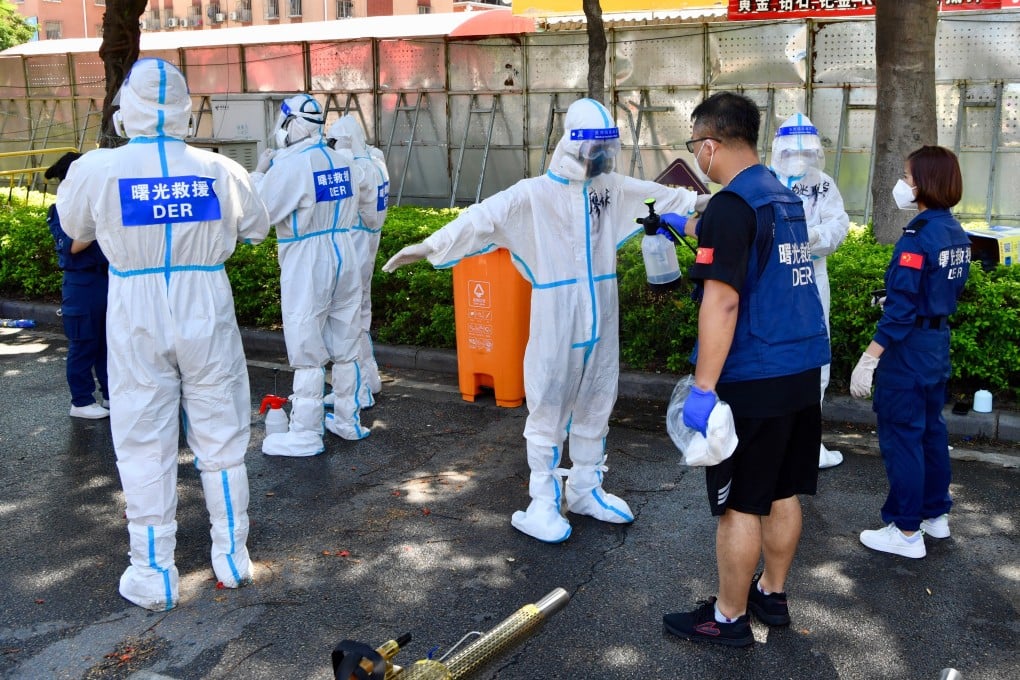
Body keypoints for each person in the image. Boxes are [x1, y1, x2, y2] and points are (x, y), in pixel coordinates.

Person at [383, 98, 701, 543]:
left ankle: (587, 486)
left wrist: (710, 201)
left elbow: (657, 194)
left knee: (597, 396)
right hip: (557, 318)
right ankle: (542, 500)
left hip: (601, 315)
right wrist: (430, 247)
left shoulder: (607, 188)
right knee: (549, 401)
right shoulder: (533, 194)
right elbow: (481, 219)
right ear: (573, 145)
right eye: (595, 149)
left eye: (607, 149)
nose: (602, 159)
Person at [57, 58, 270, 611]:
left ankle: (154, 572)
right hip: (207, 304)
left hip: (134, 307)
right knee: (221, 435)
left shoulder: (97, 169)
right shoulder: (221, 170)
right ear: (183, 109)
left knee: (143, 440)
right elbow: (256, 229)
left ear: (126, 106)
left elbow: (75, 228)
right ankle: (233, 557)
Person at [660, 92, 830, 647]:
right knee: (784, 491)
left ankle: (728, 618)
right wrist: (680, 227)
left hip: (754, 376)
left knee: (740, 504)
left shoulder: (732, 206)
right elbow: (752, 253)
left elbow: (724, 302)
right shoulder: (782, 196)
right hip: (801, 369)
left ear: (708, 145)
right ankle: (772, 594)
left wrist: (704, 389)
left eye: (695, 147)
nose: (697, 157)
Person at [851, 145, 970, 559]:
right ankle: (935, 517)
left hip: (908, 352)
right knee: (931, 433)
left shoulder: (916, 239)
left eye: (906, 175)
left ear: (923, 182)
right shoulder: (955, 232)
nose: (902, 183)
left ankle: (905, 531)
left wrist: (869, 359)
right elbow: (940, 290)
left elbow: (900, 314)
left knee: (903, 437)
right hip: (936, 347)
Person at [252, 94, 369, 456]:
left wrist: (259, 173)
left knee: (306, 345)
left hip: (308, 257)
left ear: (290, 125)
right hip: (344, 251)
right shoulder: (343, 161)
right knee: (347, 341)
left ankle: (304, 431)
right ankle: (348, 419)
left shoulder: (292, 166)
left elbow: (257, 217)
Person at [769, 113, 850, 470]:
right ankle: (775, 437)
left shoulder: (823, 184)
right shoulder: (764, 180)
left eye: (807, 151)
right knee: (773, 356)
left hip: (812, 278)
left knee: (815, 356)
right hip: (771, 280)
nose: (799, 157)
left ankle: (809, 442)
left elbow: (838, 224)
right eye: (792, 151)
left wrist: (815, 238)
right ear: (778, 149)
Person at [326, 114, 390, 408]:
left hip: (355, 245)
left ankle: (358, 389)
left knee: (347, 317)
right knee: (360, 313)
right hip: (369, 242)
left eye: (335, 141)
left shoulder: (359, 169)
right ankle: (369, 378)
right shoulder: (376, 161)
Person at [45, 151, 111, 420]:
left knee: (110, 344)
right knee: (84, 343)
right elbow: (72, 246)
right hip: (82, 283)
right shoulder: (60, 209)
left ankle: (110, 395)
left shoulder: (96, 202)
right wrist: (98, 220)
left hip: (108, 279)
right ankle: (81, 401)